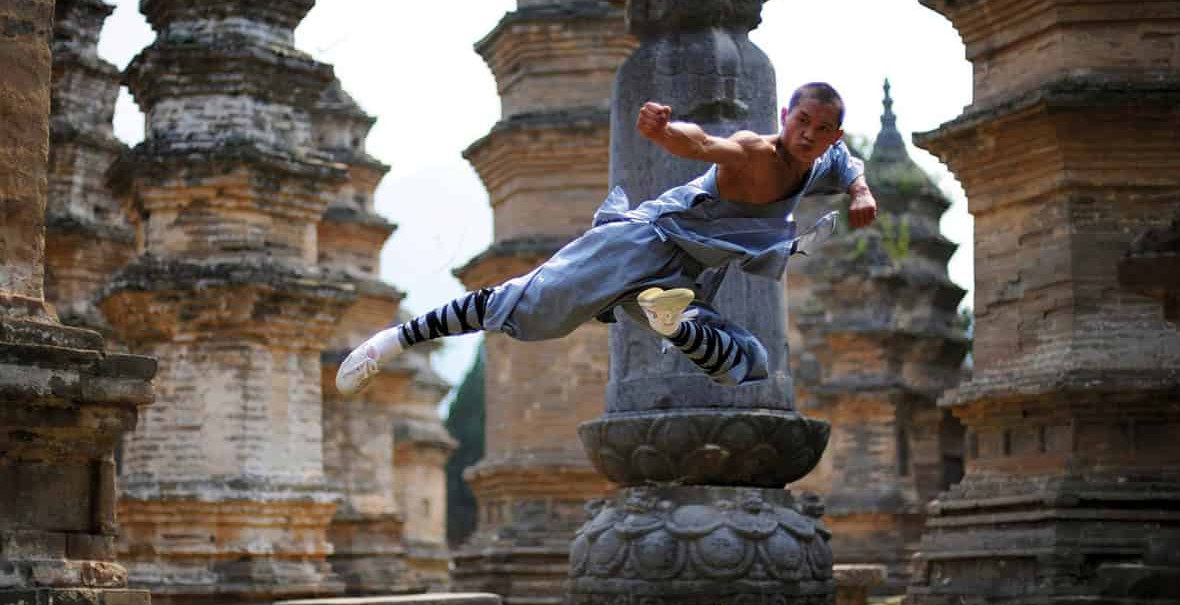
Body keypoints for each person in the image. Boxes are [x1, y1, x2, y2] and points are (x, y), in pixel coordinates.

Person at [336, 81, 877, 395]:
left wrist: (859, 191)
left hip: (681, 277)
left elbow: (846, 163)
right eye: (801, 121)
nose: (808, 134)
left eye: (821, 128)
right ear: (785, 116)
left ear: (832, 133)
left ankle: (674, 321)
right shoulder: (753, 151)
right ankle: (392, 340)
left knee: (746, 362)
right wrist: (665, 133)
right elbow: (706, 144)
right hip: (644, 241)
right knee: (528, 307)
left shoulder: (822, 160)